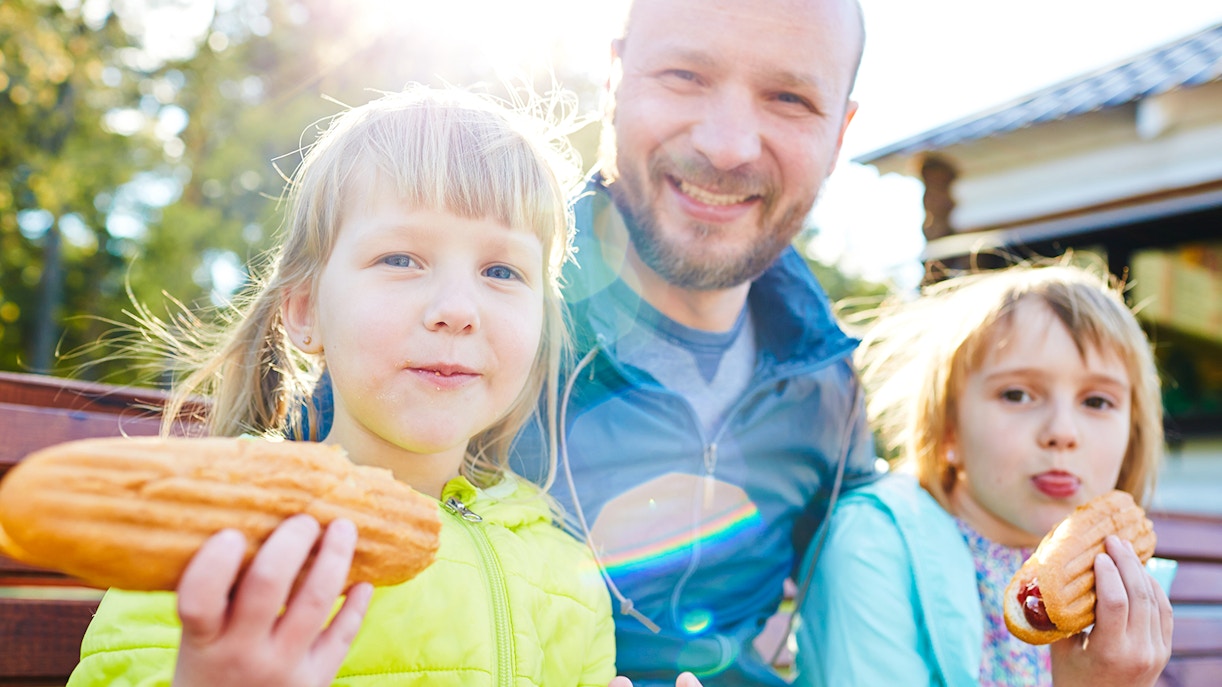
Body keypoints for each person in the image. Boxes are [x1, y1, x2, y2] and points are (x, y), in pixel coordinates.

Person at [66, 87, 616, 687]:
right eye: (401, 259)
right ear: (304, 311)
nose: (457, 309)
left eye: (501, 271)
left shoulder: (567, 570)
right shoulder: (214, 522)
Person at [509, 0, 880, 684]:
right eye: (685, 75)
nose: (728, 145)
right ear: (615, 75)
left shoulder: (832, 387)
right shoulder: (468, 322)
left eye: (790, 97)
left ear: (839, 134)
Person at [795, 264, 1175, 686]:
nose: (1063, 433)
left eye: (1098, 401)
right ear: (949, 428)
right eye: (1017, 394)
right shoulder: (872, 545)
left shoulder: (1110, 581)